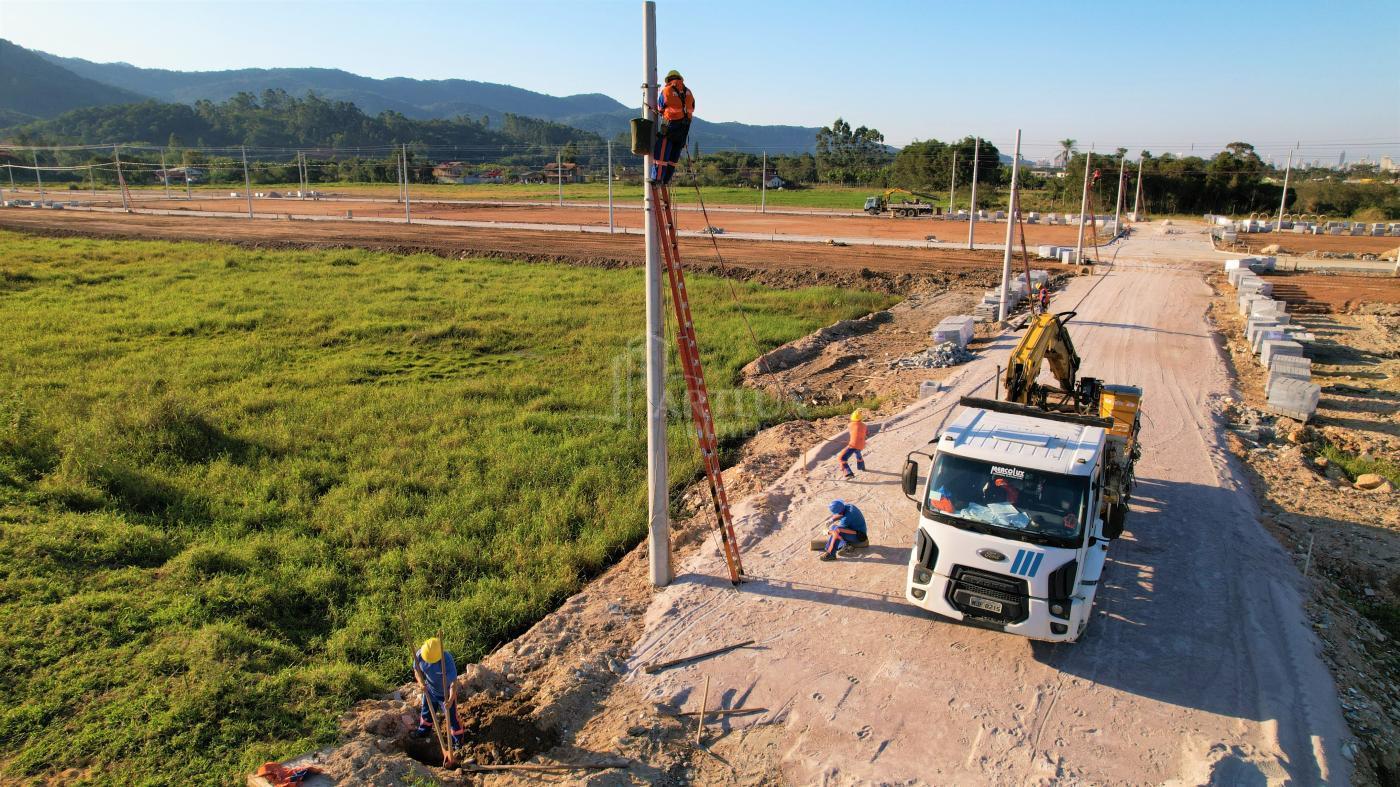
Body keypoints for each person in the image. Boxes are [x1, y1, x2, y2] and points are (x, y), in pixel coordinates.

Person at [411, 637, 465, 751]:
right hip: (429, 690)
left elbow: (453, 684)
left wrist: (450, 700)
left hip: (445, 694)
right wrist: (421, 683)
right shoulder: (420, 655)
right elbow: (417, 671)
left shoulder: (447, 661)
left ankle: (458, 741)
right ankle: (423, 731)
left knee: (452, 718)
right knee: (426, 712)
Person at [650, 70, 694, 185]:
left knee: (662, 153)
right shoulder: (688, 92)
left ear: (669, 80)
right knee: (673, 157)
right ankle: (666, 180)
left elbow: (660, 107)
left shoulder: (667, 90)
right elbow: (692, 107)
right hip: (685, 128)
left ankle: (657, 179)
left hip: (671, 126)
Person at [839, 409, 868, 480]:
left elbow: (853, 434)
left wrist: (848, 442)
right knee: (857, 451)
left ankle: (848, 473)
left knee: (841, 458)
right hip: (861, 444)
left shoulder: (850, 425)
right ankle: (861, 466)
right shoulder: (864, 425)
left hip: (854, 444)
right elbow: (864, 434)